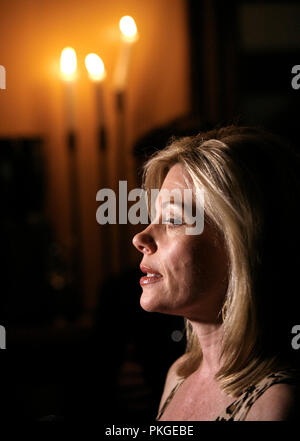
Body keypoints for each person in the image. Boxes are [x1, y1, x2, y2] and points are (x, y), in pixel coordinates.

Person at [132, 125, 300, 421]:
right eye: (152, 218)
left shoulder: (276, 403)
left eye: (172, 220)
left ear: (239, 244)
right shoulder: (179, 374)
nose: (141, 238)